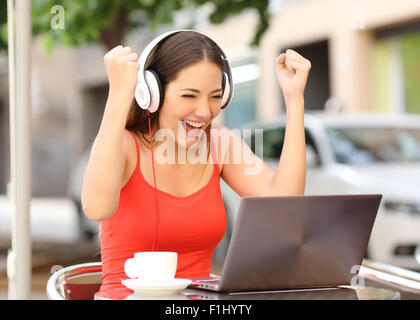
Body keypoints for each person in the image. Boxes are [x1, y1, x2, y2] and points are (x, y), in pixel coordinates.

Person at [81, 30, 311, 298]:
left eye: (215, 96)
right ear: (151, 93)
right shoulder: (125, 145)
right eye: (189, 96)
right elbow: (96, 207)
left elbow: (284, 203)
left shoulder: (220, 144)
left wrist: (295, 100)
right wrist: (120, 95)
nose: (204, 111)